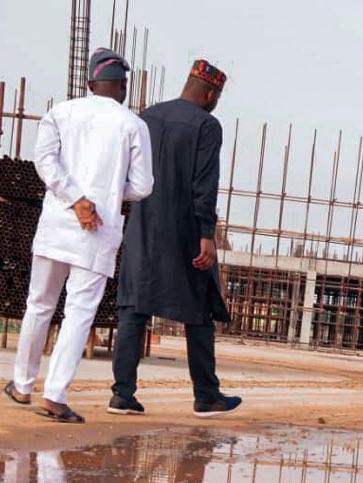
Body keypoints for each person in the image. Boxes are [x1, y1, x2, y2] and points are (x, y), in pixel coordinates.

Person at [2, 48, 154, 424]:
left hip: (57, 223)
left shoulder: (60, 113)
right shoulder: (133, 125)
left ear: (88, 84)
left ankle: (22, 385)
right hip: (97, 231)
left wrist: (74, 199)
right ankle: (54, 396)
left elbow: (44, 162)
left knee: (39, 304)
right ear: (122, 85)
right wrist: (101, 198)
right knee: (78, 313)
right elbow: (143, 186)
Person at [109, 60, 242, 418]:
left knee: (133, 309)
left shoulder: (145, 117)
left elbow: (123, 173)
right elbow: (204, 184)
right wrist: (205, 234)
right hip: (183, 232)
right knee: (199, 310)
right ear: (211, 93)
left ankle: (122, 395)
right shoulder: (207, 125)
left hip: (141, 228)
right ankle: (206, 396)